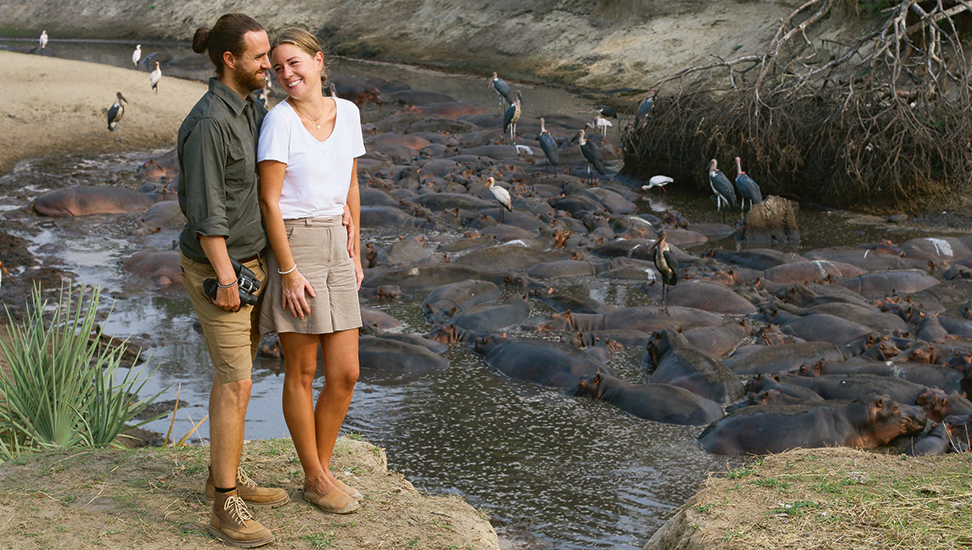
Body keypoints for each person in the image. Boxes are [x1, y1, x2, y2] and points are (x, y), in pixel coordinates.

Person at [176, 13, 287, 548]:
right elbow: (206, 210)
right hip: (221, 271)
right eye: (261, 57)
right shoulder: (209, 124)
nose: (268, 64)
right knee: (238, 380)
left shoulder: (250, 105)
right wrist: (224, 276)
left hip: (251, 265)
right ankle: (224, 504)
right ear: (230, 60)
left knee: (233, 380)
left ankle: (229, 473)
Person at [257, 27, 365, 515]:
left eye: (294, 63)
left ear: (319, 61)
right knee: (301, 370)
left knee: (345, 373)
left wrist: (356, 246)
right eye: (277, 68)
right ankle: (318, 478)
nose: (286, 74)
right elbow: (268, 201)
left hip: (337, 244)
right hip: (296, 244)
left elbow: (351, 181)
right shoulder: (279, 121)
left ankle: (317, 472)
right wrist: (288, 271)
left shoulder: (351, 114)